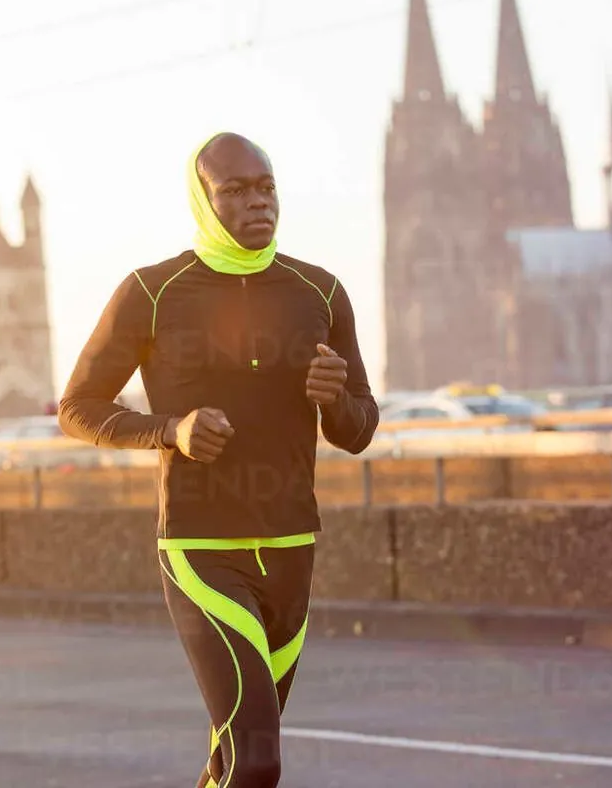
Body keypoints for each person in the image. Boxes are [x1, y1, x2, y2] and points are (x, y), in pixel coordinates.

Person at [58, 131, 378, 787]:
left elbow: (360, 427)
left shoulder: (320, 292)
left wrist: (335, 403)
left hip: (293, 548)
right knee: (258, 761)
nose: (257, 202)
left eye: (265, 187)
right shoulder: (151, 291)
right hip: (203, 550)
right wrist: (170, 430)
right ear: (204, 201)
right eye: (234, 190)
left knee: (232, 760)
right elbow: (78, 406)